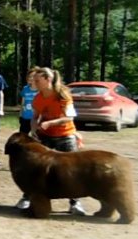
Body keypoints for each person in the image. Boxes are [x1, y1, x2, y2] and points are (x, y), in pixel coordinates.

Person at [16, 67, 86, 215]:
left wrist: (50, 123)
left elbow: (69, 117)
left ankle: (75, 203)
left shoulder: (63, 95)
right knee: (36, 168)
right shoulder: (38, 97)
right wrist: (34, 129)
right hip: (45, 136)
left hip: (66, 136)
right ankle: (27, 198)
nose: (34, 83)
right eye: (33, 80)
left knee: (71, 170)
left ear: (48, 80)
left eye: (37, 80)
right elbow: (35, 117)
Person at [19, 68, 38, 135]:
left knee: (35, 137)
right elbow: (23, 103)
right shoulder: (25, 88)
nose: (31, 78)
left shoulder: (40, 90)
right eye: (29, 76)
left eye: (33, 76)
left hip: (36, 119)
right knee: (22, 137)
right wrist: (20, 115)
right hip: (25, 117)